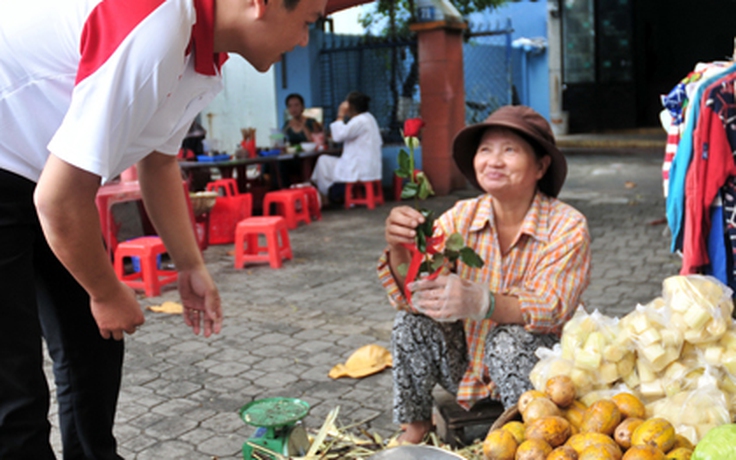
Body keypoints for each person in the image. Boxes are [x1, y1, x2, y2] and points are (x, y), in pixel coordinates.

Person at [0, 0, 326, 457]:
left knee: (94, 345)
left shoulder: (203, 58)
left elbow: (160, 162)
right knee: (14, 388)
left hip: (44, 175)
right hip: (25, 175)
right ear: (261, 4)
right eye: (308, 21)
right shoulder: (156, 23)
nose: (304, 40)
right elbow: (58, 201)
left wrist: (191, 265)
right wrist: (107, 291)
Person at [377, 105, 592, 444]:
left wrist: (483, 302)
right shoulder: (461, 217)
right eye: (485, 149)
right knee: (411, 324)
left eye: (510, 150)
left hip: (537, 372)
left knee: (508, 338)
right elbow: (411, 294)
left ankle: (526, 439)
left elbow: (553, 307)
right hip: (468, 368)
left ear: (541, 165)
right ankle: (416, 429)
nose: (494, 160)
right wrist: (401, 246)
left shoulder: (567, 226)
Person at [311, 91, 383, 201]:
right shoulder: (369, 118)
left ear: (351, 106)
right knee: (325, 163)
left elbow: (338, 137)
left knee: (322, 161)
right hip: (368, 167)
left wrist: (340, 115)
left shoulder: (359, 120)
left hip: (358, 168)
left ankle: (323, 195)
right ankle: (323, 192)